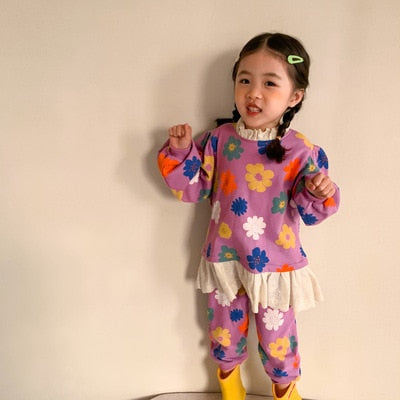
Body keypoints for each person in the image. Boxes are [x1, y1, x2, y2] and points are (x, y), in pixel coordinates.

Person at [157, 32, 340, 400]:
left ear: (294, 96)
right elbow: (192, 189)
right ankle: (230, 388)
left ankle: (287, 393)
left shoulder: (300, 151)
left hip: (276, 267)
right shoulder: (220, 140)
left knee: (279, 341)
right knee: (224, 334)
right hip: (225, 262)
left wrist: (320, 192)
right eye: (244, 80)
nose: (253, 93)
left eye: (269, 83)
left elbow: (310, 212)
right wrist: (180, 152)